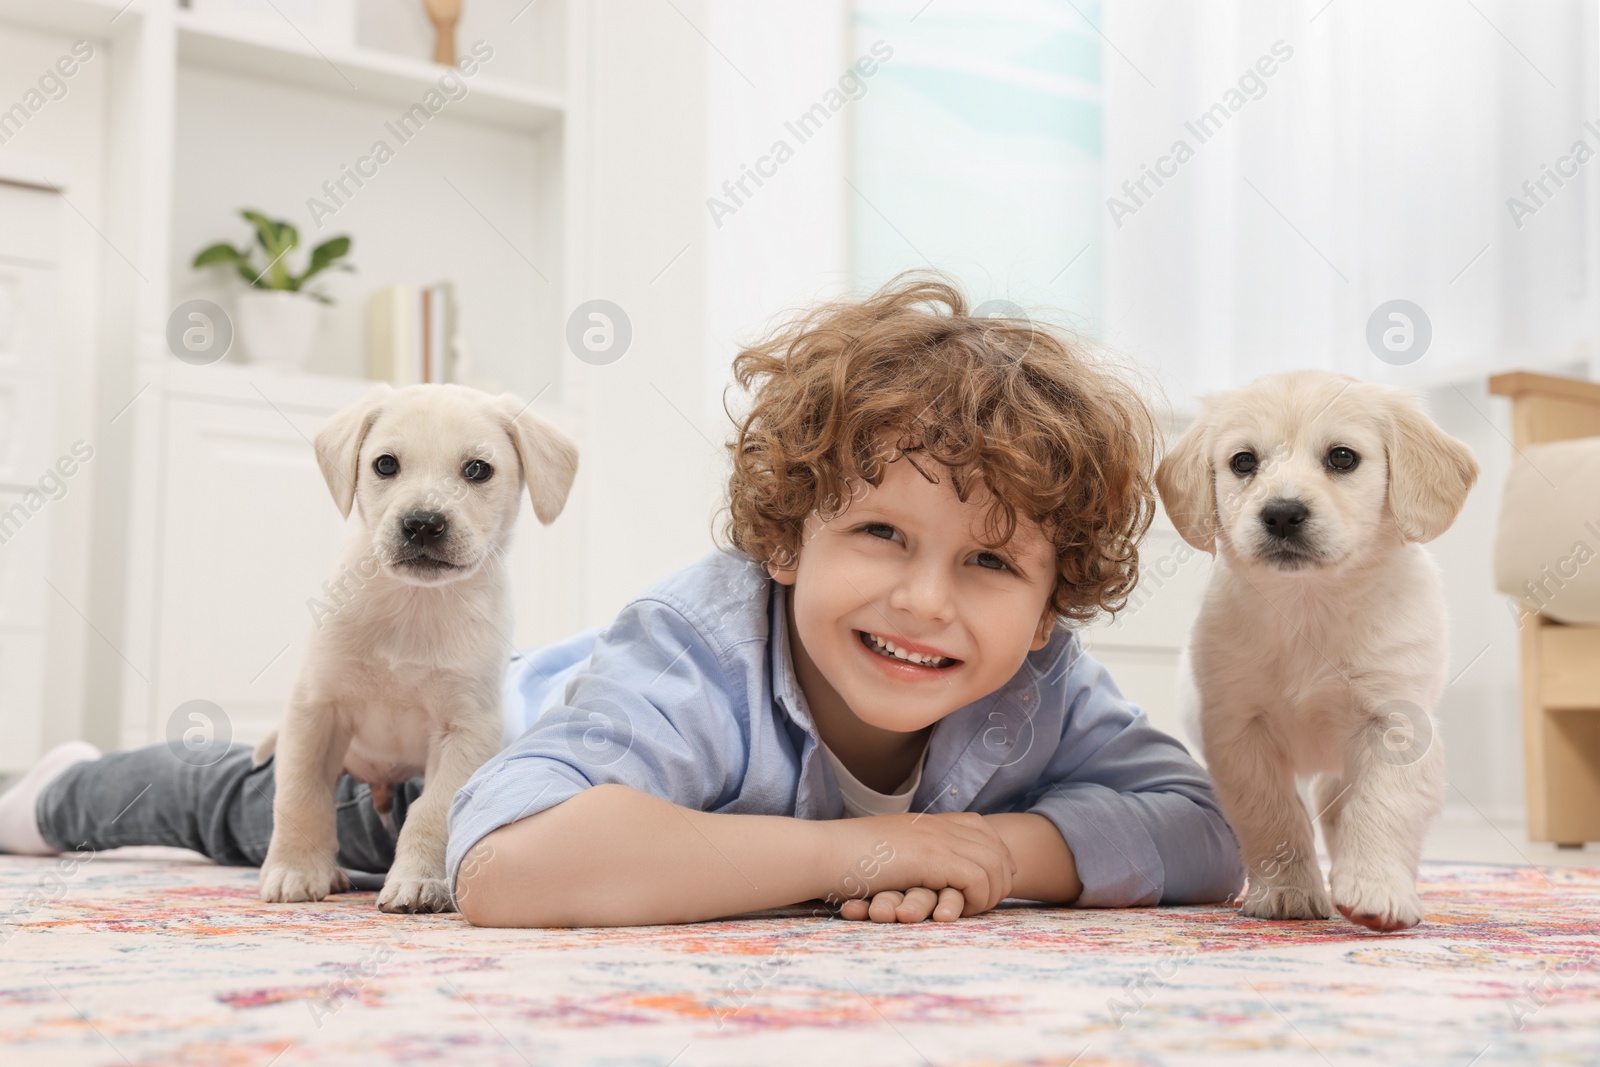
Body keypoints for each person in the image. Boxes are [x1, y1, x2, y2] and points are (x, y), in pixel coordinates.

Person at [0, 274, 1243, 927]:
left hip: (536, 722)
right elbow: (503, 866)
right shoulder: (698, 641)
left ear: (1051, 600)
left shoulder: (1045, 679)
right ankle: (58, 790)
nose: (927, 599)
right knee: (239, 793)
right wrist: (878, 847)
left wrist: (999, 853)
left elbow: (1203, 831)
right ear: (785, 537)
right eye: (878, 531)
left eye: (990, 562)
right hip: (448, 778)